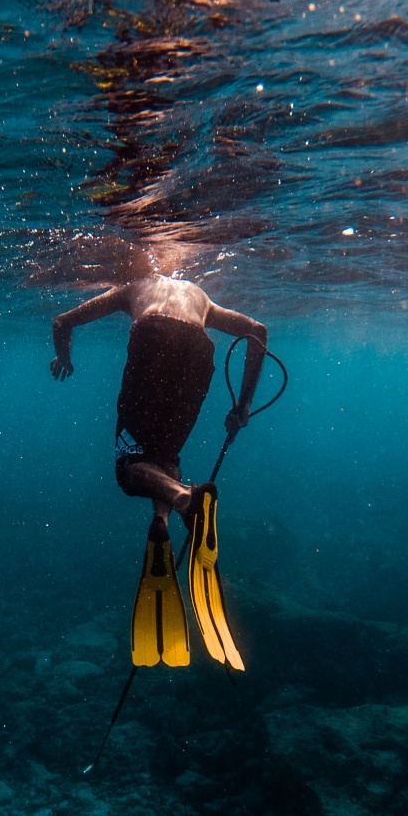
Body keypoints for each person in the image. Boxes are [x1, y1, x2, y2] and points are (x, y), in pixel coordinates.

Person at [50, 274, 268, 672]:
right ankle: (161, 519)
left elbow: (61, 321)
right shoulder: (202, 298)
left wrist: (64, 357)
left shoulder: (134, 287)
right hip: (199, 348)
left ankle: (184, 500)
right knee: (164, 452)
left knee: (129, 467)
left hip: (153, 336)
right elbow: (257, 331)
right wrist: (244, 405)